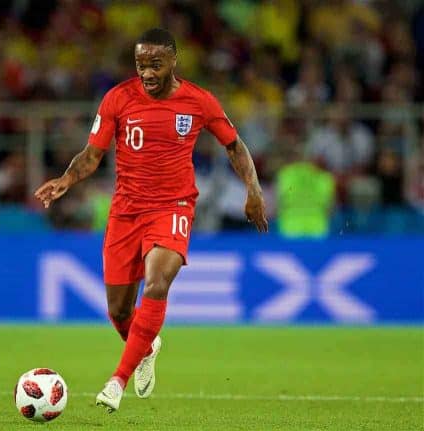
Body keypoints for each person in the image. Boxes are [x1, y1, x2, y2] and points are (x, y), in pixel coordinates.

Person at [34, 28, 267, 413]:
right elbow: (91, 155)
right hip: (126, 211)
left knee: (157, 283)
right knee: (119, 311)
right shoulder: (117, 98)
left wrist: (253, 190)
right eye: (141, 64)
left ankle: (116, 382)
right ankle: (146, 345)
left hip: (173, 207)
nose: (147, 73)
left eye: (155, 64)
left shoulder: (199, 101)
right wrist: (66, 179)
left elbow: (234, 145)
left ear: (174, 60)